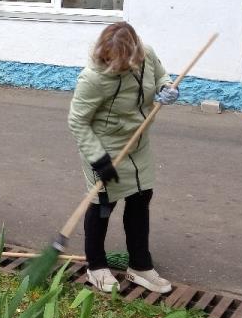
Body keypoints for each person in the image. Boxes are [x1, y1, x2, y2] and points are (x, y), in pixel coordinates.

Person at [67, 22, 178, 295]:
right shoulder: (92, 78)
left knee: (141, 198)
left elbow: (162, 77)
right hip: (104, 148)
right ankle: (96, 266)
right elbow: (78, 121)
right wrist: (99, 159)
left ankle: (140, 265)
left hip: (138, 144)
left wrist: (167, 89)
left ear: (135, 55)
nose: (113, 67)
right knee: (103, 205)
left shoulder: (147, 54)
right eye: (109, 61)